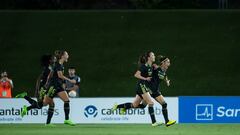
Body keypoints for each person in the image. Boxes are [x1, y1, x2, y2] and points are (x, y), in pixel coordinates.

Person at [113, 55, 176, 127]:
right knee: (162, 104)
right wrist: (147, 74)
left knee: (140, 105)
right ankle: (165, 121)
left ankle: (121, 107)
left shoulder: (164, 71)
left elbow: (164, 76)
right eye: (168, 62)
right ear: (163, 63)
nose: (169, 63)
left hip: (155, 90)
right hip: (149, 89)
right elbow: (148, 69)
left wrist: (167, 81)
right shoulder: (156, 68)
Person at [42, 50, 76, 126]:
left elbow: (50, 75)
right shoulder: (58, 65)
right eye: (67, 54)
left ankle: (66, 120)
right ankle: (28, 107)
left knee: (66, 100)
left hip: (58, 86)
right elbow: (60, 75)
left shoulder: (60, 65)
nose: (68, 56)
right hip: (54, 86)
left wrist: (47, 82)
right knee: (44, 104)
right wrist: (70, 80)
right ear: (62, 56)